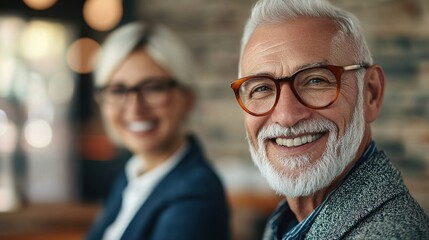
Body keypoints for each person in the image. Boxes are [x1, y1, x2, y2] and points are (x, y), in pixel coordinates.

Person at [230, 0, 429, 239]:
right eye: (261, 88)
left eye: (316, 80)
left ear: (371, 94)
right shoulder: (285, 223)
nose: (286, 117)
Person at [86, 21, 230, 240]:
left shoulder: (194, 195)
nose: (135, 108)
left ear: (187, 98)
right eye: (118, 90)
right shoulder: (134, 174)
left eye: (153, 88)